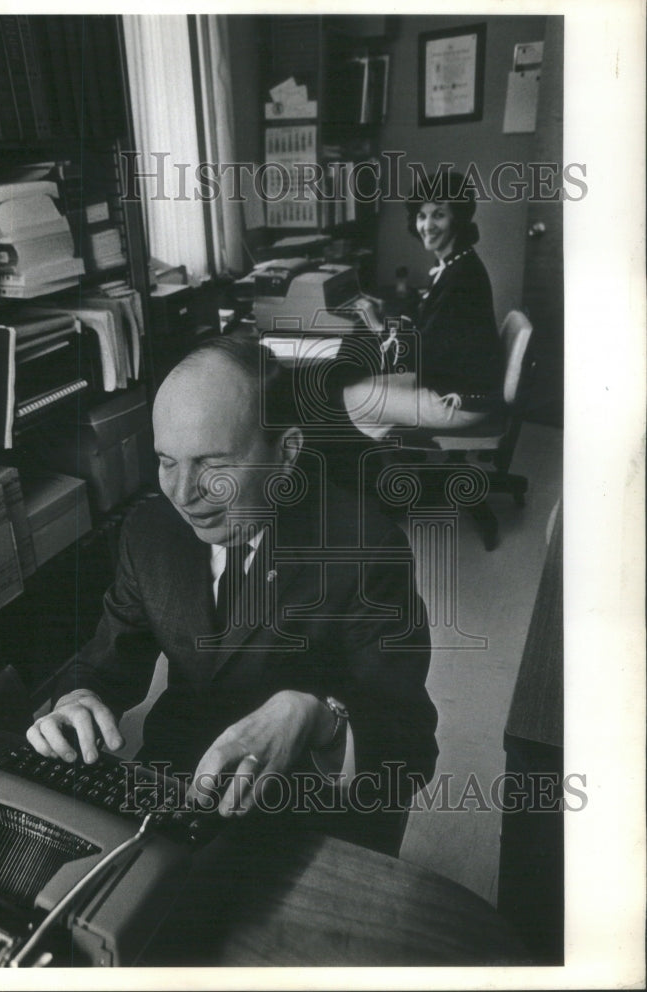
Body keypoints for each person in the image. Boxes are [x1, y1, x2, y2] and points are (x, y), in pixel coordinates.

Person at [27, 334, 438, 853]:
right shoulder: (150, 530)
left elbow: (411, 748)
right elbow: (108, 661)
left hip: (304, 816)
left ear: (285, 453)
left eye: (213, 463)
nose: (183, 494)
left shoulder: (366, 549)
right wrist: (78, 698)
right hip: (174, 787)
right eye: (167, 461)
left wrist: (318, 717)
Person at [342, 170, 505, 440]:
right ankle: (390, 452)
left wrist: (376, 325)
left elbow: (418, 355)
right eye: (422, 216)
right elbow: (429, 327)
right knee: (362, 386)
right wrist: (384, 310)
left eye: (438, 215)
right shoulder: (456, 263)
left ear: (457, 218)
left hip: (460, 401)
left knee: (353, 394)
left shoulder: (460, 277)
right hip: (456, 385)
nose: (427, 225)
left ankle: (386, 456)